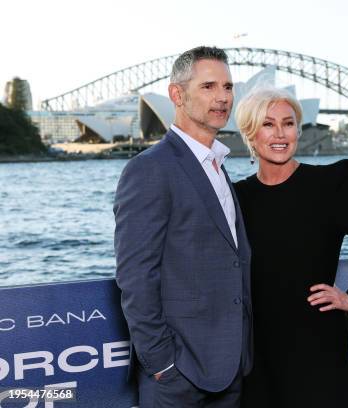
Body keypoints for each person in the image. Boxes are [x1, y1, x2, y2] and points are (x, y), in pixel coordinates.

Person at [233, 87, 348, 408]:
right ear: (249, 133)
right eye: (269, 124)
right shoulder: (237, 197)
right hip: (258, 355)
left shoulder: (328, 186)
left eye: (289, 123)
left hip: (317, 349)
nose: (281, 134)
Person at [114, 46, 252, 407]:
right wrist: (162, 363)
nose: (223, 97)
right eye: (208, 86)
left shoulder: (218, 165)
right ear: (177, 95)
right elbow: (135, 275)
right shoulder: (150, 168)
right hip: (179, 376)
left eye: (228, 86)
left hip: (231, 368)